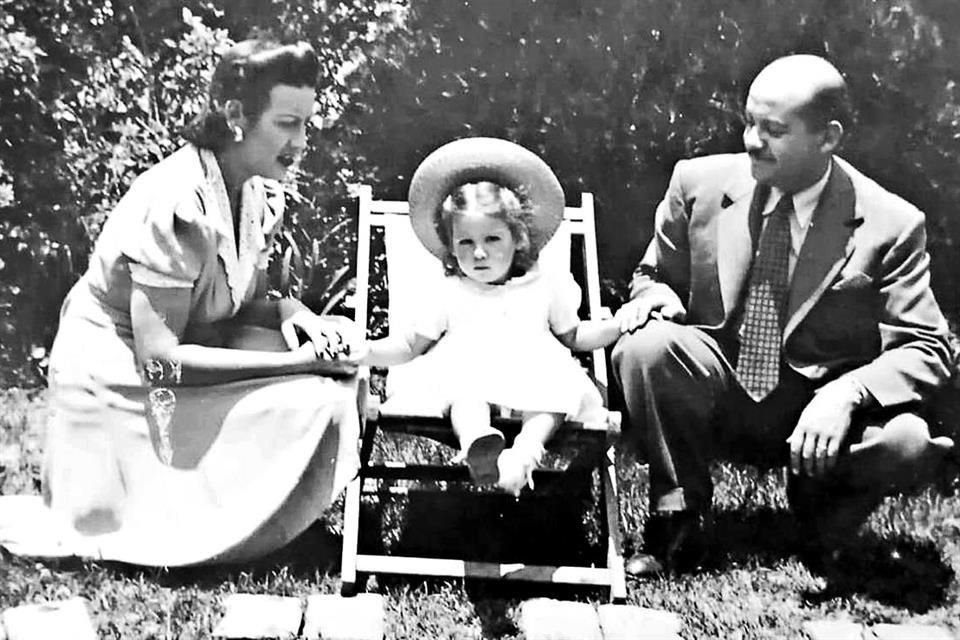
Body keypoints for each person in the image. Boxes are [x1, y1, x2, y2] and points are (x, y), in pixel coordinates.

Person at [3, 37, 363, 566]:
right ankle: (251, 527)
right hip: (116, 379)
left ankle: (273, 517)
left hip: (182, 350)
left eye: (306, 124)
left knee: (343, 361)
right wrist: (297, 362)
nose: (302, 141)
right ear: (236, 114)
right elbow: (160, 362)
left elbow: (234, 304)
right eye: (287, 124)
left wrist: (296, 314)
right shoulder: (178, 203)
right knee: (316, 395)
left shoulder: (255, 192)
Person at [613, 54, 955, 574]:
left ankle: (821, 523)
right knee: (645, 345)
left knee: (904, 440)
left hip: (816, 414)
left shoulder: (890, 223)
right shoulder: (699, 184)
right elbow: (652, 275)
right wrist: (656, 298)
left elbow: (927, 345)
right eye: (749, 122)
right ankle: (675, 519)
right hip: (720, 384)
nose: (752, 140)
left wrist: (848, 393)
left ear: (828, 137)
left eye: (774, 129)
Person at [362, 137, 628, 496]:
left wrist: (617, 325)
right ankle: (477, 443)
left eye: (492, 239)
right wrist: (363, 352)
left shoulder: (546, 283)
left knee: (555, 394)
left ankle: (524, 455)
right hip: (467, 368)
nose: (480, 253)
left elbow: (574, 336)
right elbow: (410, 344)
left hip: (532, 370)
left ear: (518, 238)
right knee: (463, 394)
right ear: (451, 249)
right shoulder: (447, 289)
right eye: (466, 243)